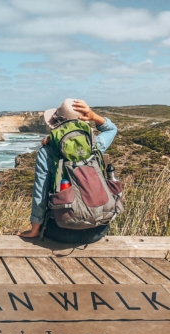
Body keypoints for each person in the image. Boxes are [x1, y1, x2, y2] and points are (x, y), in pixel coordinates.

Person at [18, 99, 118, 240]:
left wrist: (34, 230)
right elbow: (111, 129)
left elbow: (40, 194)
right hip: (98, 229)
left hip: (61, 231)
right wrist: (94, 116)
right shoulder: (95, 144)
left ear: (56, 123)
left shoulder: (47, 151)